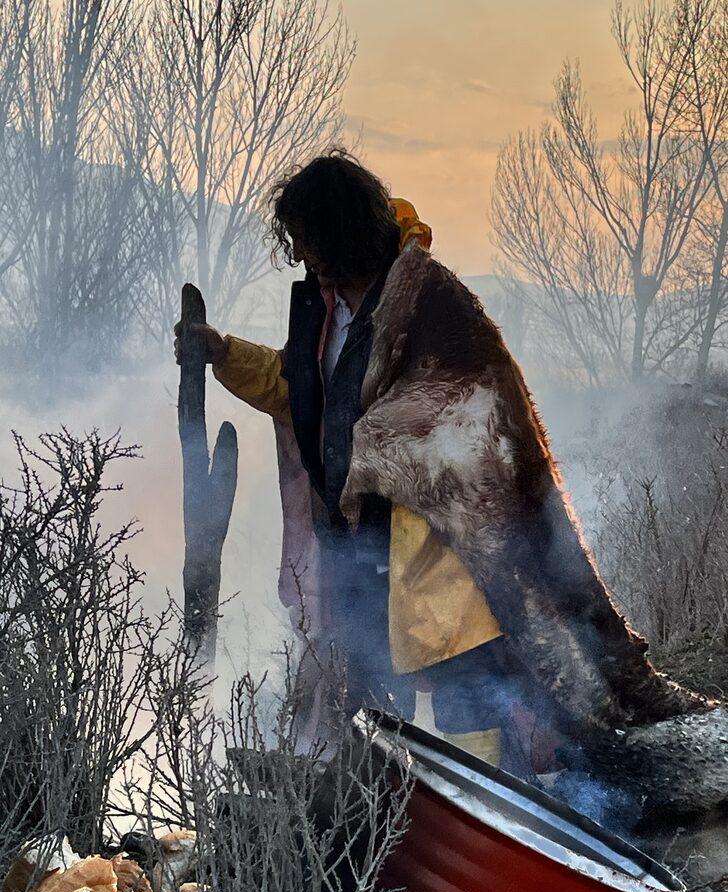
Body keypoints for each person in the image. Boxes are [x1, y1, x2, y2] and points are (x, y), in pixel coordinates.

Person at [174, 150, 702, 777]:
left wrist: (368, 451)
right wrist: (224, 353)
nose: (305, 258)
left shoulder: (431, 302)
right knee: (367, 728)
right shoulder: (325, 312)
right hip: (363, 562)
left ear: (340, 234)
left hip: (449, 563)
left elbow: (465, 421)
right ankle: (380, 846)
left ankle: (499, 832)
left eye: (311, 242)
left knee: (474, 718)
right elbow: (303, 395)